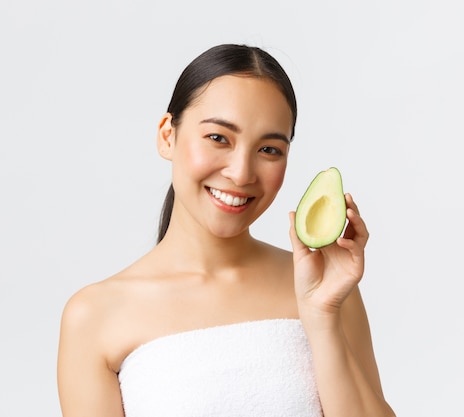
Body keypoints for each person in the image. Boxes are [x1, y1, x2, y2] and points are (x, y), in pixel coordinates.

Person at [57, 43, 395, 417]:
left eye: (269, 149)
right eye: (219, 138)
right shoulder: (95, 315)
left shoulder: (325, 288)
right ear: (167, 136)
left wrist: (321, 315)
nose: (241, 173)